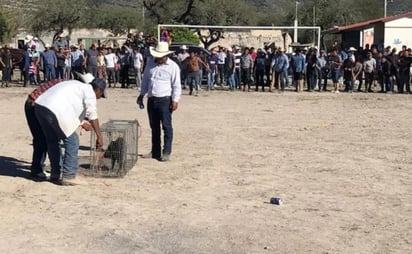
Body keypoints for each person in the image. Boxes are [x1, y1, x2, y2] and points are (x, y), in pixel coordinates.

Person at [32, 73, 106, 185]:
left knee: (52, 141)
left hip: (40, 106)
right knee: (72, 141)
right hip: (53, 109)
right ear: (98, 90)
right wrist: (99, 136)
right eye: (101, 95)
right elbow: (92, 114)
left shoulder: (76, 85)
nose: (99, 98)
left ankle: (55, 173)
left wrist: (81, 123)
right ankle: (69, 175)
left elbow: (74, 108)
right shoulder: (89, 91)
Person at [137, 42, 181, 162]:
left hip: (165, 100)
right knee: (154, 127)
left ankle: (166, 152)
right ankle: (155, 151)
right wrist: (141, 94)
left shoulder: (173, 67)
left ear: (166, 56)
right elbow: (146, 80)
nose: (157, 58)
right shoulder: (150, 64)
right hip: (152, 99)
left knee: (166, 127)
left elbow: (176, 85)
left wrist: (175, 100)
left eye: (159, 57)